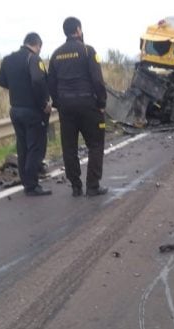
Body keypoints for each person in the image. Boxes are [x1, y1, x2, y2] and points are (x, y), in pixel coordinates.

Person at [47, 17, 108, 197]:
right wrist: (102, 103)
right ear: (79, 30)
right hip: (88, 105)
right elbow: (97, 80)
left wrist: (58, 102)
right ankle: (93, 186)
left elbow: (50, 83)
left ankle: (76, 187)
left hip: (66, 107)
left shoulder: (56, 54)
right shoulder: (87, 50)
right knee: (96, 144)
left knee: (69, 147)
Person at [0, 32, 52, 196]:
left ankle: (26, 182)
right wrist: (44, 104)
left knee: (22, 147)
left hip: (15, 110)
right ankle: (32, 185)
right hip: (32, 111)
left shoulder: (8, 59)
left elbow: (0, 80)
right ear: (37, 45)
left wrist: (15, 87)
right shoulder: (33, 59)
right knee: (35, 147)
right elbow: (37, 80)